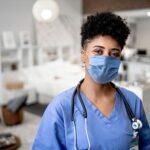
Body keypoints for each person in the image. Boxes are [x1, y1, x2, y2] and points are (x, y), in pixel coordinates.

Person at [32, 12, 150, 150]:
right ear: (83, 55)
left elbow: (145, 145)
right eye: (98, 52)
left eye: (114, 54)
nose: (106, 59)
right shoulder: (61, 107)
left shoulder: (132, 102)